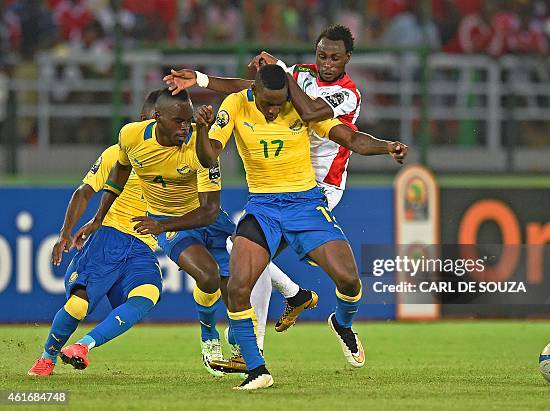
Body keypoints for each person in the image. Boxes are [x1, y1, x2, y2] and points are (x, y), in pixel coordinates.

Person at [197, 64, 407, 390]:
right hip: (263, 207)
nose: (272, 110)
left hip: (306, 206)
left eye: (278, 103)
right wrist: (201, 130)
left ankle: (341, 321)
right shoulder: (237, 104)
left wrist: (387, 146)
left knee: (349, 279)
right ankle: (257, 368)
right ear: (255, 91)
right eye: (267, 103)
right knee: (238, 287)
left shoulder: (300, 108)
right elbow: (210, 157)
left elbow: (350, 137)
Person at [163, 25, 366, 359]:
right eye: (321, 55)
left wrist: (284, 74)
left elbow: (311, 111)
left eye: (335, 57)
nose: (327, 63)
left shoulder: (347, 93)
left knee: (338, 277)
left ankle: (324, 314)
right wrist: (201, 80)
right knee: (246, 254)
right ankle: (254, 345)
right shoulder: (300, 75)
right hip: (277, 183)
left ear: (347, 58)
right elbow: (253, 89)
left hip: (319, 186)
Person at [72, 89, 234, 377]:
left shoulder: (201, 144)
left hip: (207, 219)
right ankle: (210, 337)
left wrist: (204, 130)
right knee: (208, 276)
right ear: (157, 118)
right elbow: (119, 172)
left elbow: (209, 211)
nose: (186, 127)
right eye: (179, 121)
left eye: (189, 121)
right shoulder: (132, 137)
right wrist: (99, 218)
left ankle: (241, 339)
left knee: (239, 282)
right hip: (168, 222)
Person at [27, 90, 164, 376]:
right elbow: (84, 191)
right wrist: (65, 232)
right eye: (154, 123)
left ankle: (83, 346)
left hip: (142, 247)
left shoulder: (175, 157)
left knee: (148, 294)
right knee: (78, 306)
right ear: (142, 121)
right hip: (109, 239)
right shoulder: (117, 153)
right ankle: (47, 357)